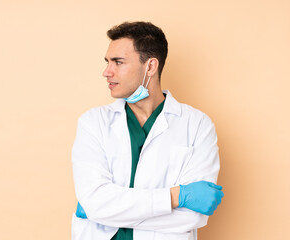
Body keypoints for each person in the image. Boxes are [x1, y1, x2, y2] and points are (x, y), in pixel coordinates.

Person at [71, 21, 224, 240]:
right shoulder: (93, 122)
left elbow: (192, 217)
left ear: (150, 67)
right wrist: (175, 197)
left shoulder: (197, 125)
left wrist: (108, 210)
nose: (106, 72)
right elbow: (95, 203)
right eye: (107, 62)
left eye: (118, 62)